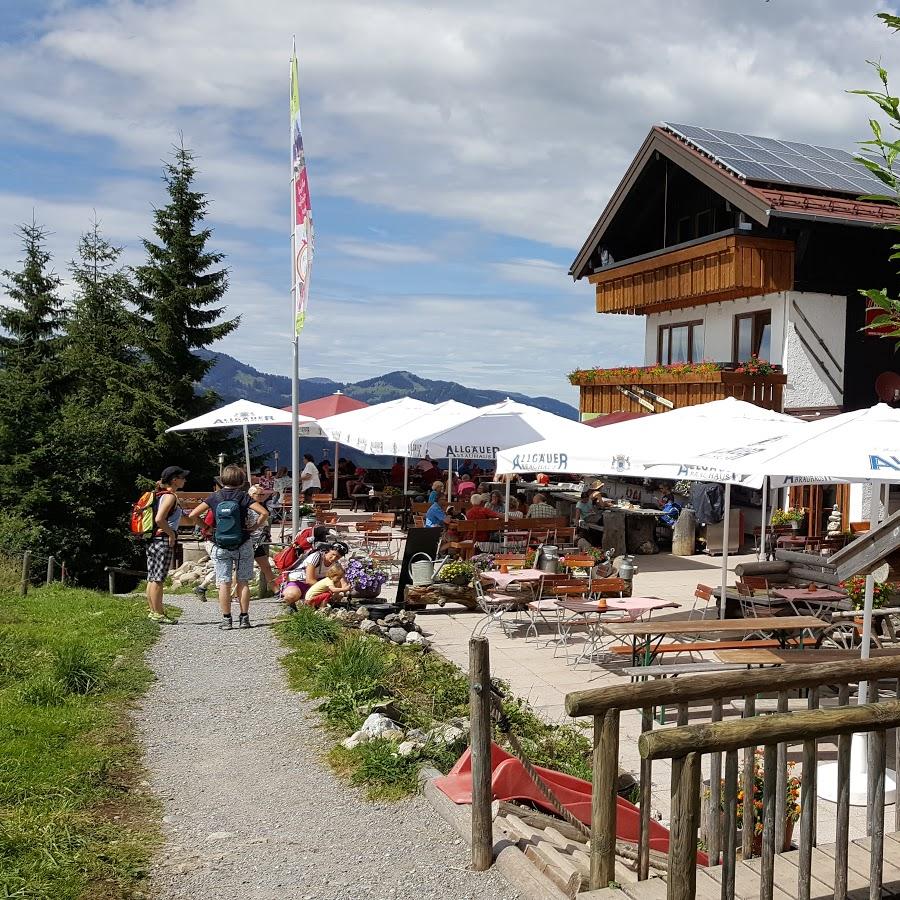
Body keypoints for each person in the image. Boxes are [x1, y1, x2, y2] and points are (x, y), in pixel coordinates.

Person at [186, 465, 269, 630]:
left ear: (222, 479)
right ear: (240, 481)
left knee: (224, 582)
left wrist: (207, 528)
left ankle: (226, 619)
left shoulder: (214, 497)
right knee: (243, 581)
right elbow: (264, 513)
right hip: (243, 542)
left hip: (221, 544)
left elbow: (192, 515)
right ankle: (244, 618)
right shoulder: (243, 497)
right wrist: (253, 527)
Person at [145, 466, 188, 624]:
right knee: (158, 579)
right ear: (174, 480)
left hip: (152, 540)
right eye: (182, 477)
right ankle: (159, 613)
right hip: (162, 539)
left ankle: (153, 611)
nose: (185, 480)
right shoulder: (170, 497)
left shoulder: (159, 494)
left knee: (152, 577)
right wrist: (171, 534)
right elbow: (159, 519)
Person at [282, 542, 348, 611]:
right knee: (291, 595)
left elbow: (342, 580)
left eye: (337, 557)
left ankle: (309, 603)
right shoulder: (316, 556)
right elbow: (309, 580)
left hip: (314, 585)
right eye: (333, 554)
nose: (334, 558)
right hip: (299, 581)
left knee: (337, 584)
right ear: (328, 550)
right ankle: (293, 604)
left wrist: (344, 590)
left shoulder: (336, 564)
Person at [247, 485, 276, 593]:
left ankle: (277, 591)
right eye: (259, 494)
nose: (261, 497)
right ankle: (236, 595)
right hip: (248, 542)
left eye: (262, 494)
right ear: (251, 495)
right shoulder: (248, 508)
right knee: (242, 569)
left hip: (258, 542)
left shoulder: (262, 506)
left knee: (266, 567)